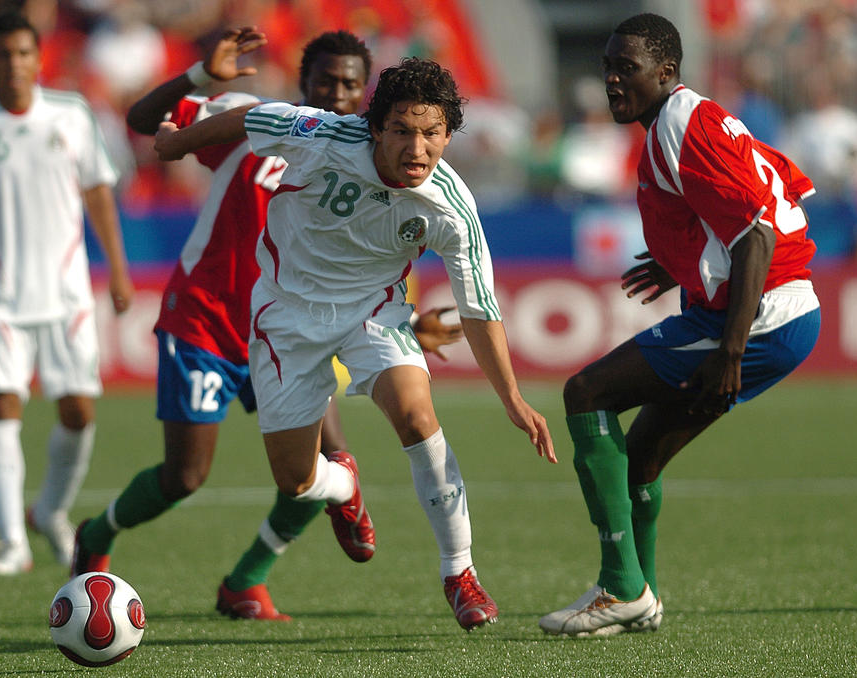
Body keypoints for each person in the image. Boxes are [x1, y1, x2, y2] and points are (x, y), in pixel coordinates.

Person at [71, 29, 464, 621]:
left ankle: (245, 580)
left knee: (329, 459)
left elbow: (363, 264)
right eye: (325, 80)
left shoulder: (373, 157)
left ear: (367, 96)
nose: (336, 93)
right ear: (303, 82)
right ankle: (97, 532)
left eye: (350, 85)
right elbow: (144, 122)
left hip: (293, 332)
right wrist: (199, 76)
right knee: (185, 476)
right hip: (207, 322)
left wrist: (404, 329)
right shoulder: (256, 120)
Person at [154, 56, 557, 631]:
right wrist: (177, 144)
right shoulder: (322, 135)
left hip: (373, 313)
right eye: (402, 130)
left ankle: (460, 572)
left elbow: (480, 310)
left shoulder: (452, 206)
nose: (417, 149)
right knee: (296, 481)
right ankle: (343, 481)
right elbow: (250, 119)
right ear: (375, 128)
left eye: (432, 133)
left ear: (449, 135)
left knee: (418, 417)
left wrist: (512, 398)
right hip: (285, 314)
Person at [537, 13, 821, 637]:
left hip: (760, 318)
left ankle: (620, 587)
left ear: (666, 72)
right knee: (641, 455)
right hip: (781, 312)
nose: (613, 80)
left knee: (587, 393)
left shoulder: (680, 123)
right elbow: (777, 192)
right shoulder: (695, 118)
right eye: (608, 67)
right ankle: (642, 599)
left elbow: (757, 234)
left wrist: (731, 350)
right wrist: (686, 262)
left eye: (627, 68)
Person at [0, 11, 134, 576]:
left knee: (78, 412)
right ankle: (11, 541)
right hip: (0, 293)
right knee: (2, 403)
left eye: (23, 53)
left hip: (66, 291)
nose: (14, 63)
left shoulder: (72, 114)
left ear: (39, 58)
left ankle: (50, 512)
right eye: (3, 54)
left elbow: (98, 192)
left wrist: (117, 269)